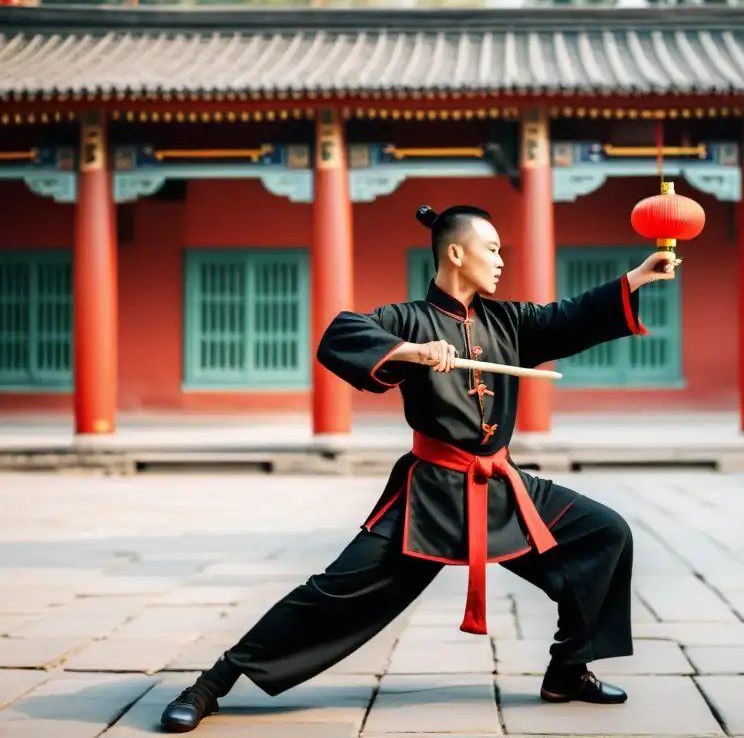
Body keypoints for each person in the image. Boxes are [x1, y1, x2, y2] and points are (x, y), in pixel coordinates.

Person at [159, 203, 681, 733]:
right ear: (456, 252)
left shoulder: (509, 320)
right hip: (428, 496)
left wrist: (638, 277)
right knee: (334, 593)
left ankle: (569, 671)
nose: (502, 260)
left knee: (605, 534)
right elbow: (339, 336)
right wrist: (410, 351)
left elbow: (567, 316)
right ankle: (212, 683)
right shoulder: (406, 319)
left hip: (500, 486)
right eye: (493, 249)